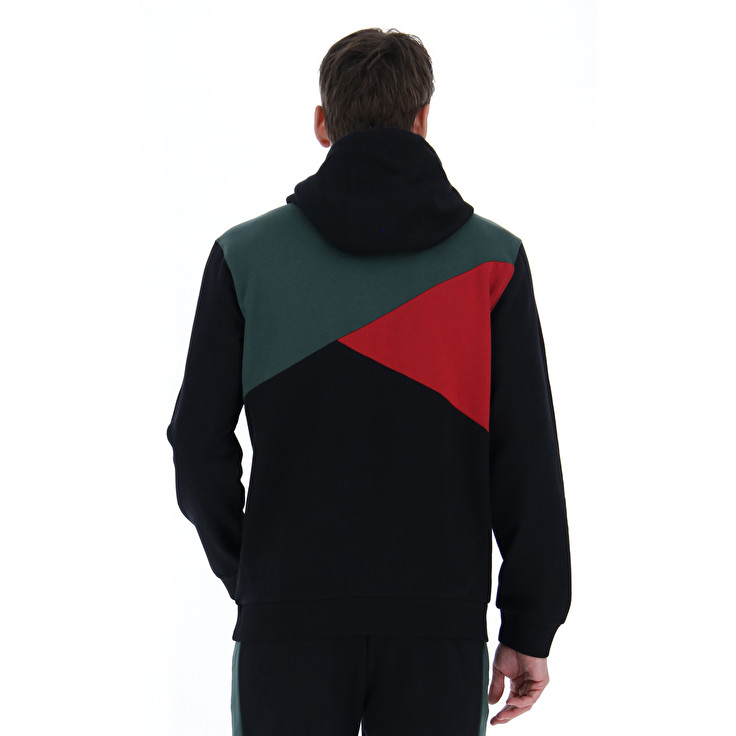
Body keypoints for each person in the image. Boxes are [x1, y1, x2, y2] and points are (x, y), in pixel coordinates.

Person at [166, 27, 572, 735]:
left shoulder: (245, 257)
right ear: (423, 120)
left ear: (323, 124)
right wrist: (530, 623)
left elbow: (197, 447)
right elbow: (526, 454)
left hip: (287, 621)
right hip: (438, 627)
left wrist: (258, 577)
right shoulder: (493, 261)